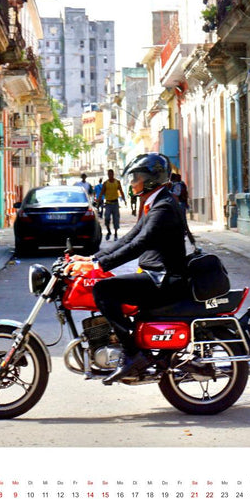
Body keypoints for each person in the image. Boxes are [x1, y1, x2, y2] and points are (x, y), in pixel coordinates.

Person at [65, 153, 188, 384]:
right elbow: (129, 238)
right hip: (156, 274)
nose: (132, 183)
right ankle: (126, 346)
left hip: (164, 278)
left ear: (151, 180)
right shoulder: (154, 203)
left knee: (103, 290)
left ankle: (132, 353)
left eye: (136, 178)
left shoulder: (163, 208)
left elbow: (139, 244)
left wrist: (96, 265)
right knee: (106, 286)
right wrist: (92, 258)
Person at [98, 169, 126, 240]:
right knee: (107, 219)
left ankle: (115, 234)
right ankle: (109, 231)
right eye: (108, 174)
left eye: (110, 174)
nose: (109, 175)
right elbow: (102, 192)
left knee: (116, 219)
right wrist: (99, 200)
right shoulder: (105, 183)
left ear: (113, 174)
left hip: (115, 203)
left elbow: (121, 191)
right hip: (108, 204)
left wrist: (124, 199)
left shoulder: (117, 182)